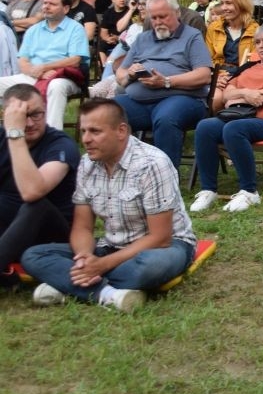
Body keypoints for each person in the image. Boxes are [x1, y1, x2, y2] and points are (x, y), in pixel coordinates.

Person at [20, 98, 197, 312]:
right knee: (33, 256)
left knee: (150, 267)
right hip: (111, 246)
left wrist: (101, 265)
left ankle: (66, 284)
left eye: (95, 131)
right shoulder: (87, 163)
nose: (86, 139)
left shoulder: (152, 164)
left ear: (121, 131)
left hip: (164, 246)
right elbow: (82, 227)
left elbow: (160, 237)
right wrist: (84, 257)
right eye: (83, 131)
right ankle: (106, 293)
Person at [191, 25, 263, 213]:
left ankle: (249, 191)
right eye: (257, 42)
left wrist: (245, 95)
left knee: (234, 129)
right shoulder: (246, 68)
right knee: (205, 127)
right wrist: (247, 94)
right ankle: (208, 190)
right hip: (239, 116)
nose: (261, 46)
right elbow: (227, 94)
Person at [114, 0, 213, 168]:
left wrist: (166, 81)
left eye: (163, 16)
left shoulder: (192, 36)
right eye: (154, 18)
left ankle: (165, 177)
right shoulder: (143, 39)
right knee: (108, 112)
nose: (158, 22)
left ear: (177, 13)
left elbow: (203, 75)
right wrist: (130, 74)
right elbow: (120, 74)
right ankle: (120, 171)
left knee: (166, 118)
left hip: (183, 99)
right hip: (140, 102)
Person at [0, 85, 80, 279]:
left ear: (45, 110)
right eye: (21, 117)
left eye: (36, 114)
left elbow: (32, 192)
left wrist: (15, 134)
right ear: (6, 116)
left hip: (48, 237)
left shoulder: (61, 145)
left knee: (37, 206)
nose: (29, 123)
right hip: (7, 230)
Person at [0, 0, 90, 130]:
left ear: (65, 9)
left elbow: (75, 60)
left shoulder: (76, 29)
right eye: (45, 3)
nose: (46, 7)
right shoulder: (33, 30)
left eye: (52, 4)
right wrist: (38, 72)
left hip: (64, 76)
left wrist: (44, 68)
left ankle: (52, 135)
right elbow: (22, 61)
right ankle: (12, 128)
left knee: (56, 86)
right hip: (34, 75)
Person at [206, 0, 259, 111]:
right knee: (216, 99)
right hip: (220, 75)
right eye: (222, 3)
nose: (224, 8)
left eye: (229, 3)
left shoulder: (256, 30)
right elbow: (207, 60)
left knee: (232, 100)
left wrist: (235, 79)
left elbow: (256, 62)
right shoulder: (214, 28)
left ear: (241, 4)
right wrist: (216, 77)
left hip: (244, 76)